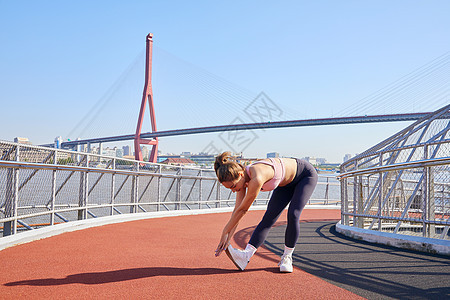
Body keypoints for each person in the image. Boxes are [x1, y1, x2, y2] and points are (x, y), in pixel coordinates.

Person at [214, 151, 318, 273]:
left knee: (293, 214)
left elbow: (243, 210)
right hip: (285, 184)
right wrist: (228, 238)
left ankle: (287, 257)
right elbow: (237, 211)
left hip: (304, 175)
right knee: (269, 218)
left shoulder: (257, 178)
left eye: (232, 187)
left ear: (241, 174)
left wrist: (224, 231)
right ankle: (245, 256)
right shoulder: (241, 182)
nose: (233, 191)